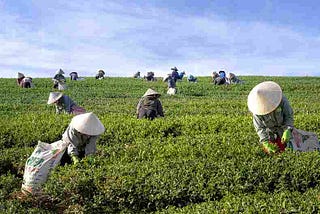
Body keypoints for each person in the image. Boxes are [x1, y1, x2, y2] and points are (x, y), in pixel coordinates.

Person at [247, 81, 294, 154]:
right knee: (272, 152)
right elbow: (260, 128)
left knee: (292, 147)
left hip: (283, 129)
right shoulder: (257, 111)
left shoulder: (282, 101)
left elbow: (289, 116)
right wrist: (265, 142)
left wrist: (288, 129)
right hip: (270, 134)